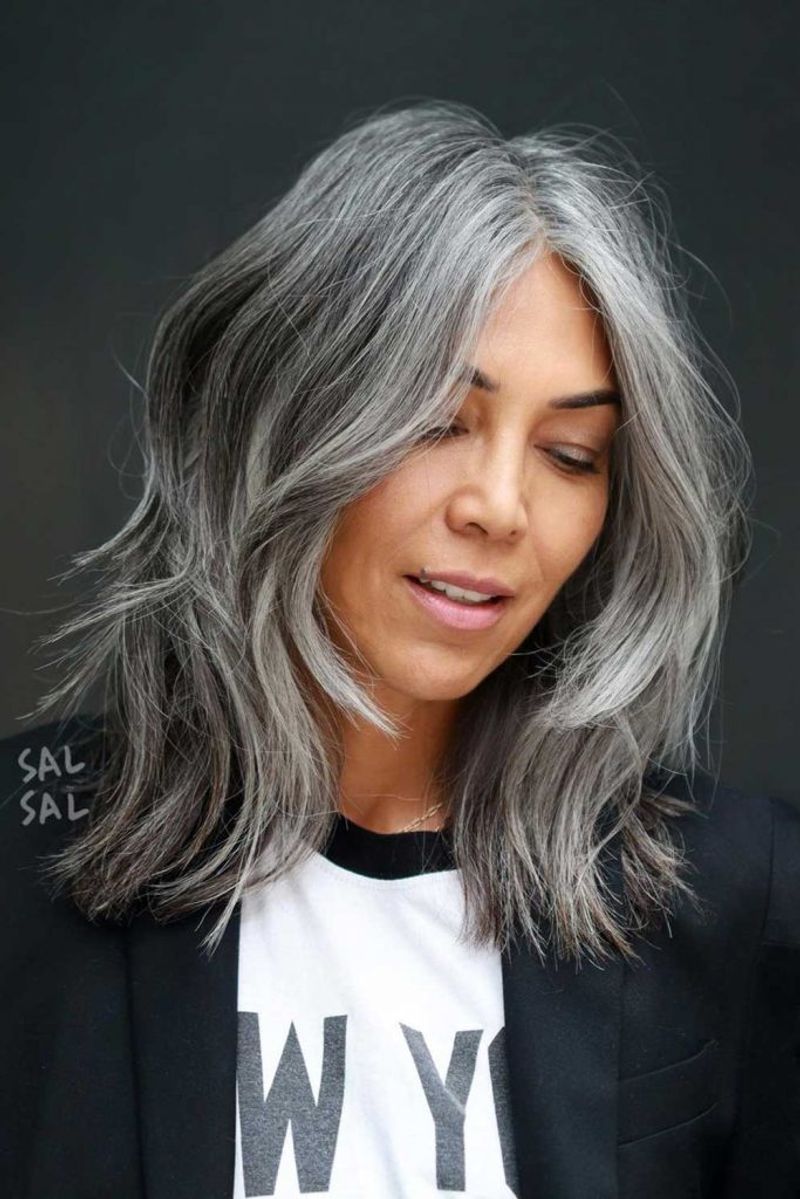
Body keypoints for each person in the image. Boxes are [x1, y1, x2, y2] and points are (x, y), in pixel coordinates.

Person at [1, 99, 797, 1199]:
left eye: (570, 453)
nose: (499, 506)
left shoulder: (739, 892)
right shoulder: (28, 850)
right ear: (285, 413)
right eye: (436, 419)